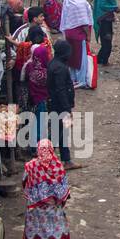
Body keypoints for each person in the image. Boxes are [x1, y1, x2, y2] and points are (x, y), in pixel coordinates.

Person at [20, 139, 71, 239]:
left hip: (36, 210)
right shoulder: (58, 166)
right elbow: (63, 189)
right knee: (55, 231)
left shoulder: (31, 166)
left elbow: (25, 183)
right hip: (53, 209)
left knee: (41, 231)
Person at [46, 37, 77, 167]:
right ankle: (49, 161)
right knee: (58, 133)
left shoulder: (54, 64)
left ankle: (65, 159)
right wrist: (67, 109)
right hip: (61, 106)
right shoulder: (60, 68)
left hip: (56, 104)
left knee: (60, 132)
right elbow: (61, 90)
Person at [59, 0, 94, 88]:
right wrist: (88, 35)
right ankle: (81, 80)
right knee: (81, 58)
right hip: (78, 34)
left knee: (72, 57)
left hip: (69, 32)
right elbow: (83, 22)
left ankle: (73, 78)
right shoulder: (79, 2)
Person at [93, 0, 119, 66]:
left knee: (106, 40)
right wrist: (114, 8)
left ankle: (100, 59)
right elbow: (103, 5)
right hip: (103, 19)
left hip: (107, 18)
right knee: (107, 40)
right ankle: (104, 61)